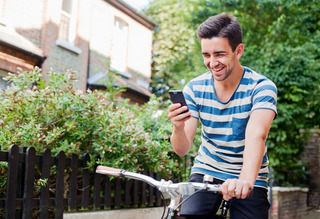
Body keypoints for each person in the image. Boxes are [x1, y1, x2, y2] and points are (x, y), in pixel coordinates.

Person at [167, 12, 277, 219]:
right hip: (207, 169)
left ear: (239, 51)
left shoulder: (261, 88)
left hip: (249, 174)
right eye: (206, 55)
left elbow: (256, 136)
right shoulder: (195, 88)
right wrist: (178, 127)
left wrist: (244, 181)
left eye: (219, 54)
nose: (212, 63)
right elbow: (182, 150)